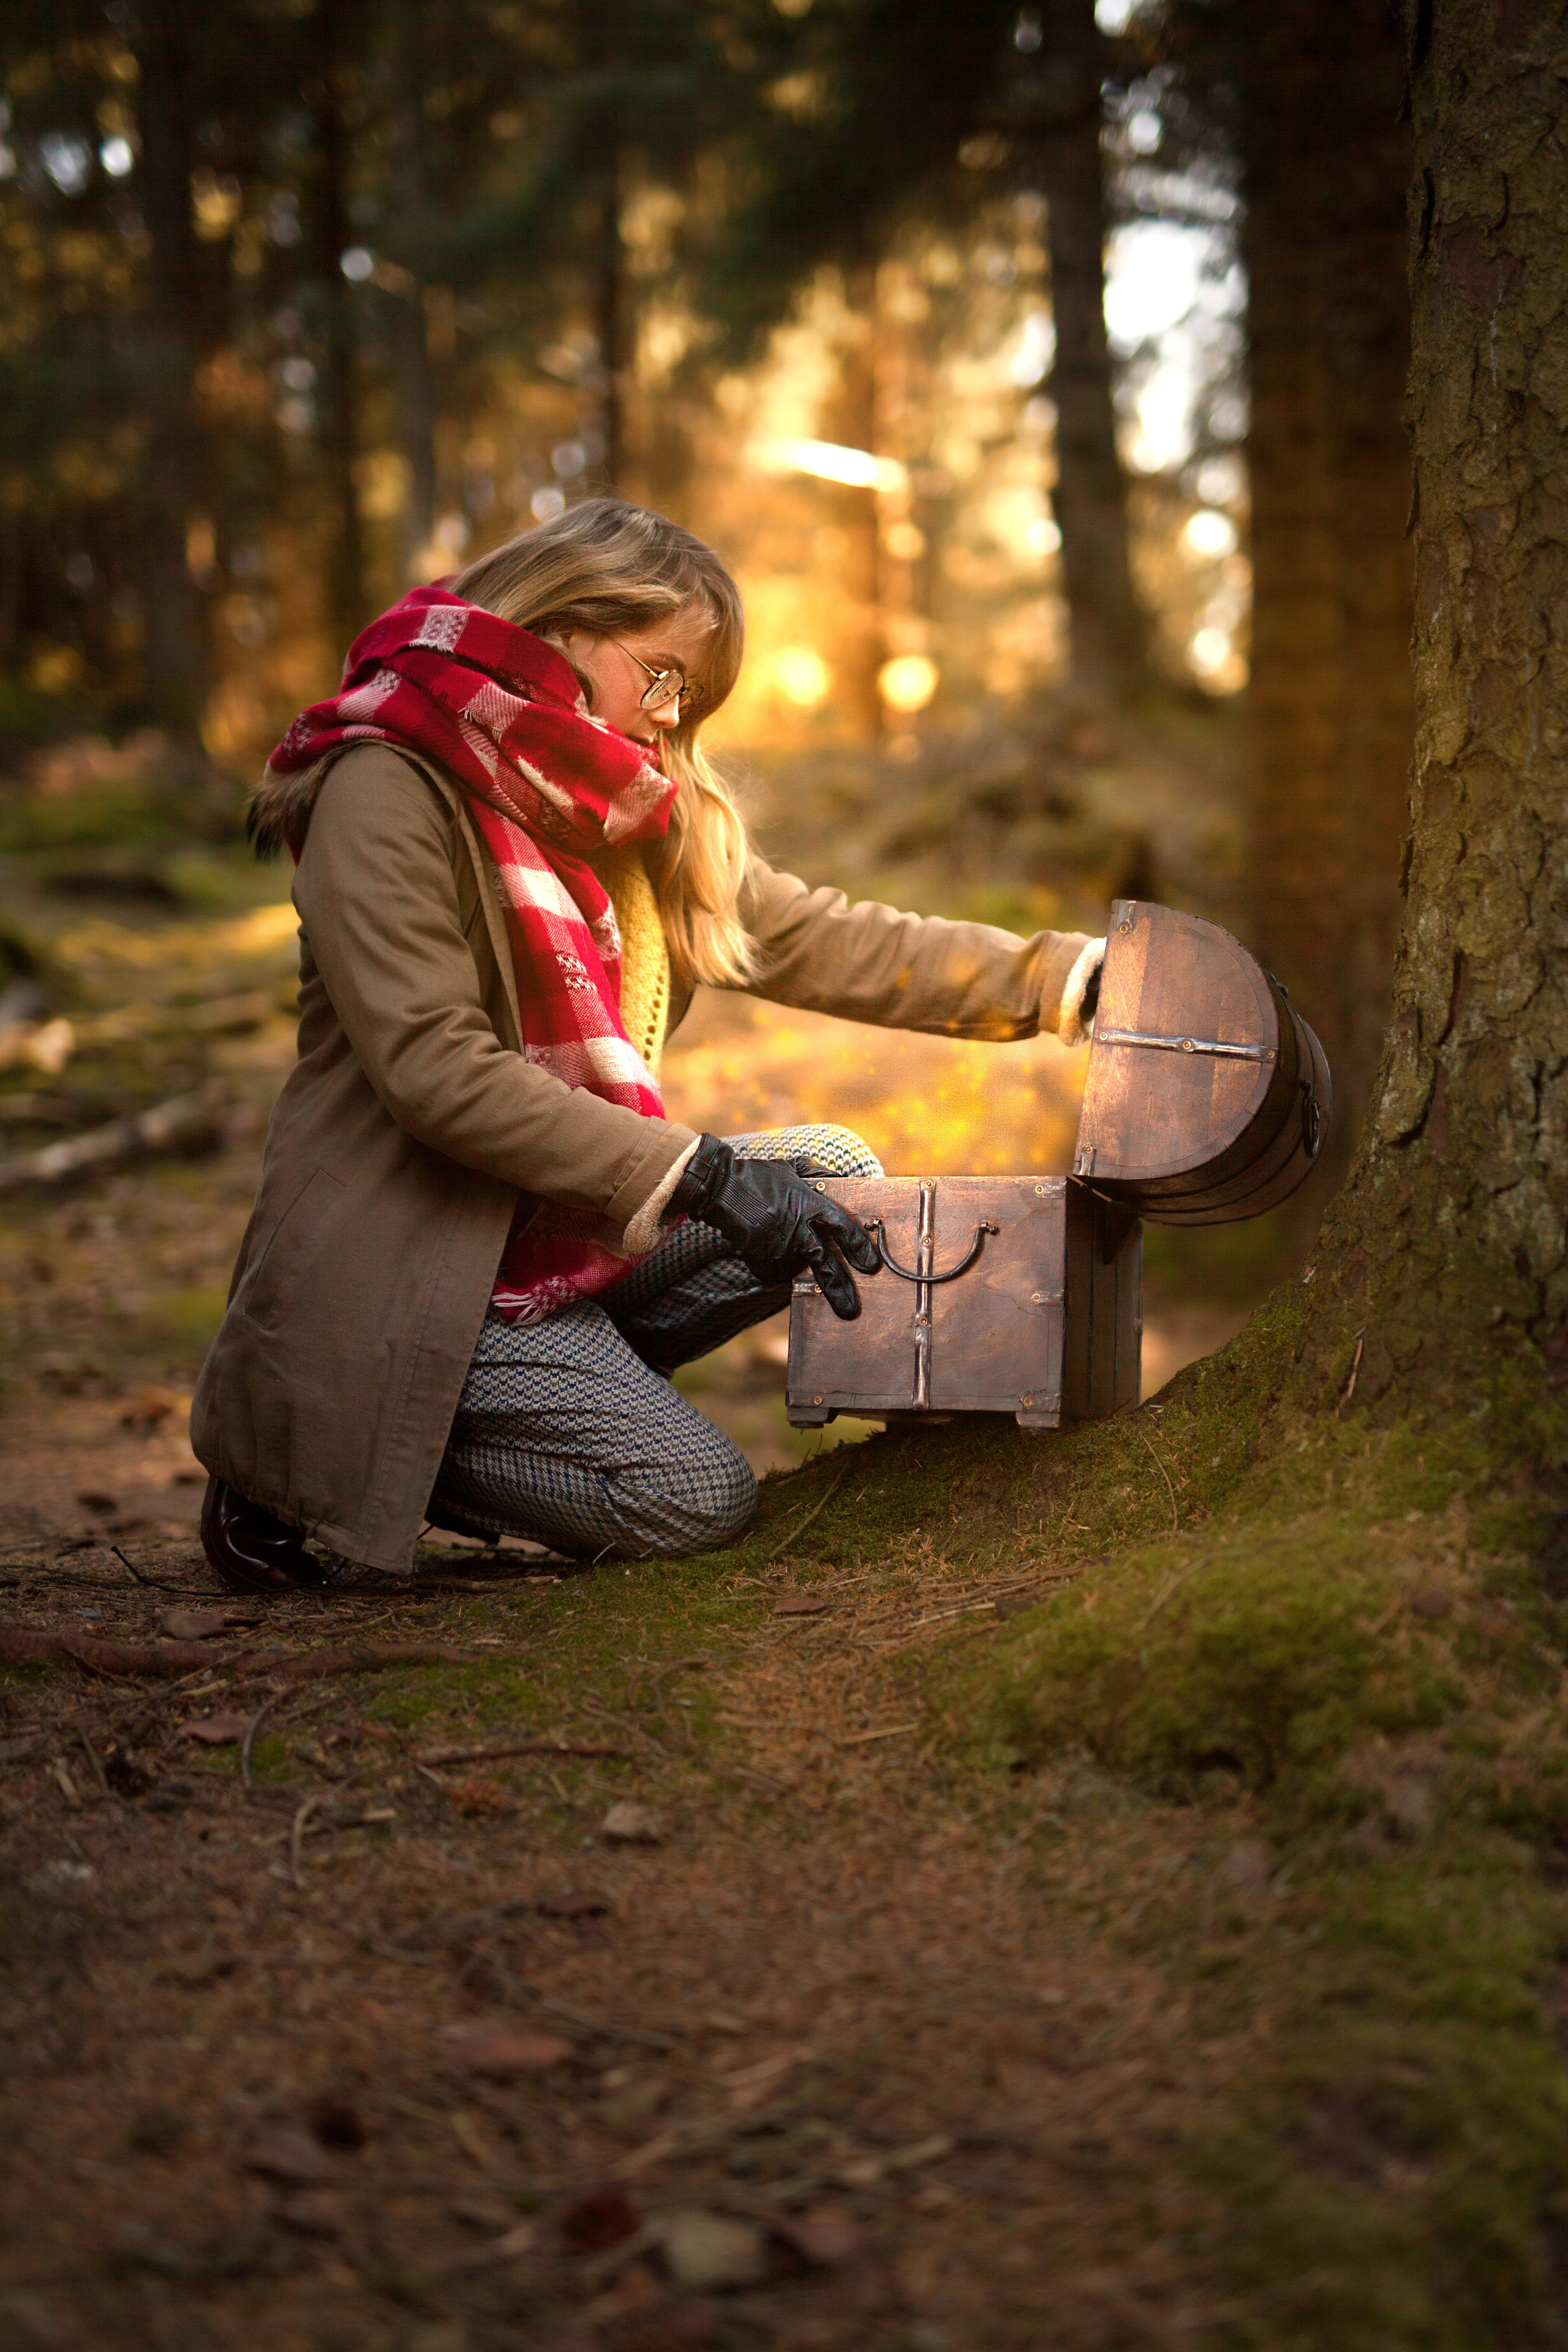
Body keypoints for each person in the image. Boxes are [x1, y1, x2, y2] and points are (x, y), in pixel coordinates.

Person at [192, 497, 1104, 1594]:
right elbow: (435, 1068)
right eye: (662, 677)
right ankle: (330, 1454)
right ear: (566, 618)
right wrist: (703, 1174)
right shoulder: (386, 780)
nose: (669, 720)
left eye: (693, 700)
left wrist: (1061, 981)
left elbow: (817, 935)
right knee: (695, 1497)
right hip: (418, 1271)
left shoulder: (612, 813)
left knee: (834, 1178)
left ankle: (557, 1398)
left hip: (549, 1243)